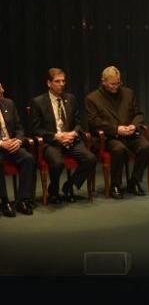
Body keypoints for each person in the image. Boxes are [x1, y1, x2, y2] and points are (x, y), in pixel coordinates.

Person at [84, 66, 149, 199]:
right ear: (103, 82)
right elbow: (94, 122)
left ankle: (134, 181)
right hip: (109, 137)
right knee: (119, 149)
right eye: (112, 84)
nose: (116, 86)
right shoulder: (92, 98)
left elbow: (138, 114)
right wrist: (116, 129)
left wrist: (134, 125)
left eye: (118, 83)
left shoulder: (128, 93)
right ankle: (115, 185)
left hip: (130, 134)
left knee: (146, 147)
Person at [30, 68, 96, 204]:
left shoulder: (70, 98)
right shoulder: (38, 102)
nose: (61, 84)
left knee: (90, 159)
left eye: (63, 81)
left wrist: (73, 132)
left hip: (71, 140)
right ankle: (53, 191)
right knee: (57, 163)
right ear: (49, 83)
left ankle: (69, 186)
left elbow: (78, 123)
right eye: (57, 81)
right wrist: (56, 136)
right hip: (52, 142)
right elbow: (36, 129)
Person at [0, 82, 35, 216]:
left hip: (11, 145)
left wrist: (19, 141)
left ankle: (23, 200)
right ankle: (4, 201)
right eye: (0, 89)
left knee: (28, 158)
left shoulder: (9, 104)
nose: (3, 90)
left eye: (2, 87)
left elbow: (19, 127)